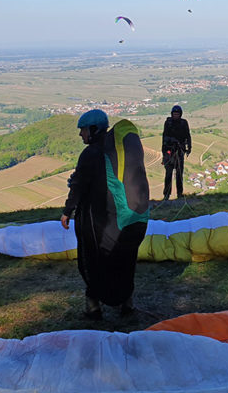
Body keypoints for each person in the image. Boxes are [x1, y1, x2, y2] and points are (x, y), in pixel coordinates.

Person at [60, 109, 148, 320]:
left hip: (100, 218)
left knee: (93, 259)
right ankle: (127, 303)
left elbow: (79, 185)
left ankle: (93, 307)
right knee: (125, 260)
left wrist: (67, 211)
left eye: (83, 130)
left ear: (93, 129)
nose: (81, 135)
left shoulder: (91, 154)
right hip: (125, 218)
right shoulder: (115, 151)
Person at [161, 104, 191, 201]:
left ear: (180, 114)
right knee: (168, 174)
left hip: (180, 152)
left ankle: (179, 194)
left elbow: (188, 135)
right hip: (170, 152)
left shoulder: (184, 123)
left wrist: (189, 147)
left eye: (177, 114)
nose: (176, 115)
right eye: (174, 114)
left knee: (179, 174)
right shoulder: (168, 123)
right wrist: (164, 152)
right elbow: (164, 137)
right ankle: (166, 195)